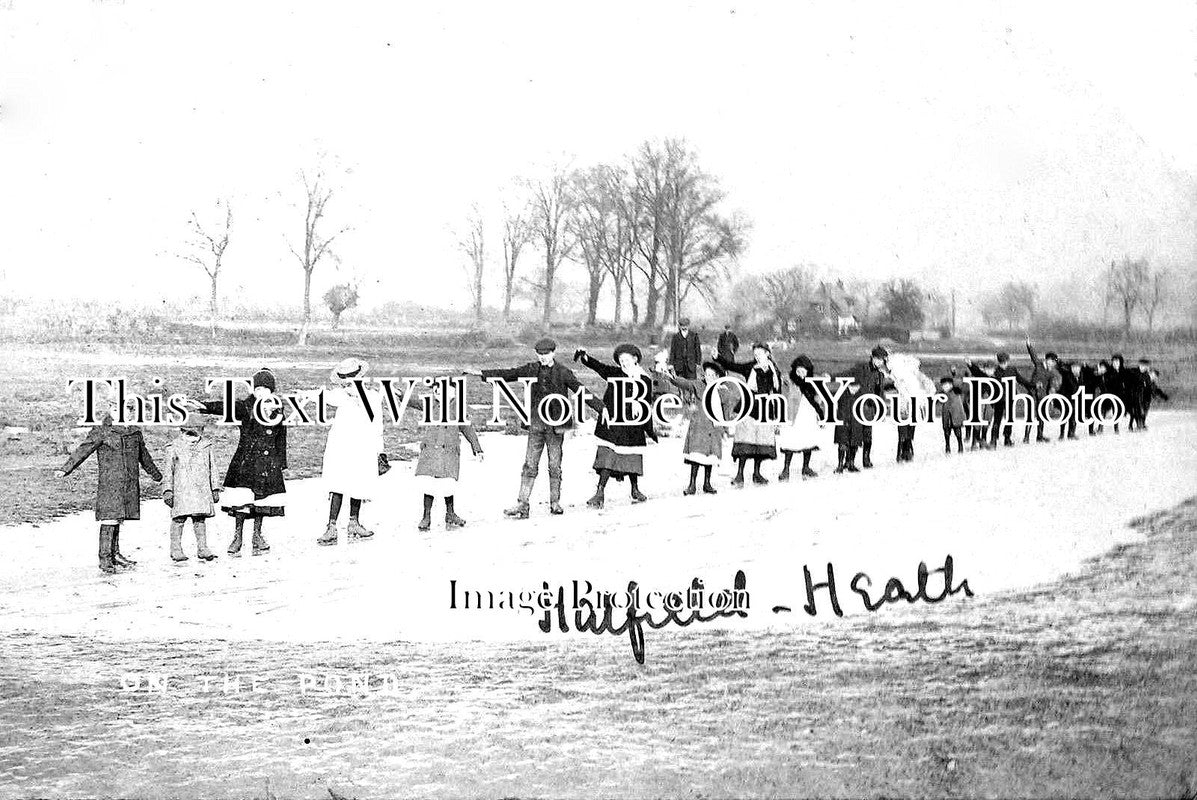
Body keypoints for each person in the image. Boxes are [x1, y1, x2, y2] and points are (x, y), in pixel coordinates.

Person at [469, 337, 583, 519]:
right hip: (536, 424)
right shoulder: (531, 369)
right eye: (540, 354)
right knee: (530, 464)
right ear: (536, 354)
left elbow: (581, 390)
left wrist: (603, 410)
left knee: (555, 465)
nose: (543, 357)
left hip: (557, 426)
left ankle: (555, 502)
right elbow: (508, 374)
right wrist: (481, 374)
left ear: (554, 353)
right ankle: (522, 504)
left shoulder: (564, 372)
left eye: (547, 354)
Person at [56, 397, 162, 574]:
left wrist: (157, 475)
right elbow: (84, 449)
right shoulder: (102, 430)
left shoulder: (135, 432)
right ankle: (105, 558)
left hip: (129, 482)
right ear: (113, 410)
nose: (127, 412)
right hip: (110, 483)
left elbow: (144, 457)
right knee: (109, 518)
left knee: (119, 518)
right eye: (122, 409)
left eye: (129, 409)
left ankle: (116, 554)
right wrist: (65, 469)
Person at [196, 368, 287, 556]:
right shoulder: (245, 408)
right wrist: (204, 406)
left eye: (265, 389)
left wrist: (280, 463)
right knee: (242, 501)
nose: (261, 392)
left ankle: (257, 535)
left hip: (268, 463)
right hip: (245, 462)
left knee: (263, 501)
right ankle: (237, 537)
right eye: (258, 388)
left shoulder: (277, 413)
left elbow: (281, 439)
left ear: (272, 391)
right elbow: (225, 406)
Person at [575, 344, 656, 508]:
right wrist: (585, 358)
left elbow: (647, 403)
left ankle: (635, 489)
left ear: (635, 359)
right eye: (621, 360)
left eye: (626, 359)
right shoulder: (615, 374)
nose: (624, 363)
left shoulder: (644, 380)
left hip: (632, 424)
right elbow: (600, 367)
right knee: (608, 455)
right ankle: (600, 492)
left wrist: (648, 427)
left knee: (631, 456)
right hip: (613, 422)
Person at [317, 358, 383, 546]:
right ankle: (331, 526)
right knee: (338, 484)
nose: (348, 381)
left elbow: (377, 424)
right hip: (341, 446)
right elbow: (327, 397)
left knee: (359, 483)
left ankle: (354, 522)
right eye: (344, 377)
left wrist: (380, 450)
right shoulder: (340, 395)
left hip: (362, 446)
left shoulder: (371, 396)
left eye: (350, 377)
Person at [657, 360, 737, 496]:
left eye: (713, 375)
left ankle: (707, 483)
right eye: (707, 375)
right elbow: (684, 383)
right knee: (696, 457)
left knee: (710, 457)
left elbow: (727, 410)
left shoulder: (722, 392)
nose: (709, 377)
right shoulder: (698, 385)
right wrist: (672, 377)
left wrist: (726, 427)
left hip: (714, 428)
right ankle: (692, 485)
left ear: (718, 377)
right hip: (699, 427)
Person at [413, 379, 484, 531]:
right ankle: (426, 516)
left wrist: (476, 447)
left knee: (448, 485)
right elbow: (413, 401)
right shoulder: (429, 404)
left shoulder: (457, 408)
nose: (439, 392)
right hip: (431, 452)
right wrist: (400, 395)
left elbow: (467, 428)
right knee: (429, 484)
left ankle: (450, 514)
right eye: (436, 389)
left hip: (449, 453)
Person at [717, 342, 784, 485]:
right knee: (744, 441)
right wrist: (718, 358)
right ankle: (739, 474)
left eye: (759, 353)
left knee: (761, 443)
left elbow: (778, 393)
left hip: (766, 410)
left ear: (767, 353)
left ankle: (757, 473)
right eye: (755, 354)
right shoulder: (750, 367)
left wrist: (778, 416)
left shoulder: (774, 371)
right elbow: (733, 366)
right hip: (749, 408)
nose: (757, 356)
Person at [162, 411, 221, 563]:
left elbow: (212, 468)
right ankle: (176, 549)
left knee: (200, 518)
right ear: (182, 431)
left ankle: (202, 548)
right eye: (189, 433)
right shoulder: (173, 447)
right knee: (179, 519)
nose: (193, 437)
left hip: (201, 490)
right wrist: (168, 490)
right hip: (182, 490)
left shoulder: (206, 446)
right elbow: (168, 471)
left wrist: (215, 488)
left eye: (196, 433)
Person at [840, 345, 893, 468]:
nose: (879, 362)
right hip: (857, 406)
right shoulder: (861, 368)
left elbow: (879, 393)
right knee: (855, 434)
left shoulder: (880, 374)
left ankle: (866, 458)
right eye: (877, 359)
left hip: (869, 407)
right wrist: (830, 377)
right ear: (872, 358)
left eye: (882, 360)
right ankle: (849, 460)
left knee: (868, 435)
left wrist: (881, 409)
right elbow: (846, 374)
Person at [777, 355, 824, 480]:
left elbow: (817, 399)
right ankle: (786, 469)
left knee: (808, 440)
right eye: (798, 371)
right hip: (793, 415)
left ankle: (806, 467)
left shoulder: (812, 382)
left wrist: (821, 415)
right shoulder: (789, 380)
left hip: (808, 413)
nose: (801, 374)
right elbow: (782, 389)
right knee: (791, 441)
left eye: (804, 371)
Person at [1024, 339, 1062, 443]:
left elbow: (1054, 382)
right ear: (1047, 360)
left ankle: (1039, 436)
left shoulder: (1052, 372)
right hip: (1032, 393)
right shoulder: (1038, 364)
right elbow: (1033, 356)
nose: (1053, 364)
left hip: (1043, 395)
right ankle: (1026, 437)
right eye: (1052, 361)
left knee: (1042, 416)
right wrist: (1029, 345)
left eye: (1054, 362)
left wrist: (1053, 390)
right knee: (1030, 415)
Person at [833, 372, 866, 473]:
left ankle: (851, 463)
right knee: (843, 444)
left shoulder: (861, 394)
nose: (855, 388)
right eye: (853, 386)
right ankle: (840, 464)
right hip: (844, 422)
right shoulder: (842, 393)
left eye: (857, 386)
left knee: (854, 444)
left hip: (856, 423)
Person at [961, 361, 997, 449]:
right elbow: (976, 370)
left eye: (991, 369)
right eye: (987, 369)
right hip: (979, 401)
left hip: (990, 403)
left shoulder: (995, 379)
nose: (989, 371)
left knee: (987, 421)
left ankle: (982, 441)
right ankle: (974, 443)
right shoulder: (981, 376)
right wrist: (970, 364)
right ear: (984, 370)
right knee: (978, 422)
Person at [939, 375, 965, 454]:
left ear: (951, 385)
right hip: (946, 415)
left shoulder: (956, 391)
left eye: (947, 385)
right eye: (943, 385)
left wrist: (953, 374)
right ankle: (947, 446)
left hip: (956, 415)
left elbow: (960, 384)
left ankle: (960, 446)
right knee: (946, 432)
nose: (945, 387)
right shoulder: (942, 394)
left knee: (958, 432)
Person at [1139, 365, 1169, 430]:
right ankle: (1140, 425)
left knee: (1145, 412)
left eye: (1155, 377)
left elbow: (1156, 390)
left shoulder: (1152, 382)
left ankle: (1142, 424)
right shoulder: (1144, 379)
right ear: (1151, 373)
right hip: (1141, 398)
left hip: (1147, 399)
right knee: (1142, 412)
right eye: (1154, 376)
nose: (1154, 378)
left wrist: (1163, 396)